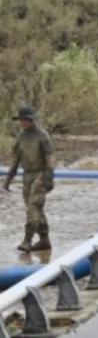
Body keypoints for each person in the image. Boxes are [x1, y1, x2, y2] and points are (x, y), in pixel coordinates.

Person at [4, 106, 55, 252]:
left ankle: (27, 240)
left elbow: (50, 157)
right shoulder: (21, 136)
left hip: (41, 174)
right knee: (35, 208)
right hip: (27, 176)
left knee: (33, 207)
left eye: (26, 120)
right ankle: (44, 240)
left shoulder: (42, 136)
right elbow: (15, 161)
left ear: (32, 120)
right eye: (21, 120)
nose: (23, 123)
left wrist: (49, 176)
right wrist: (7, 181)